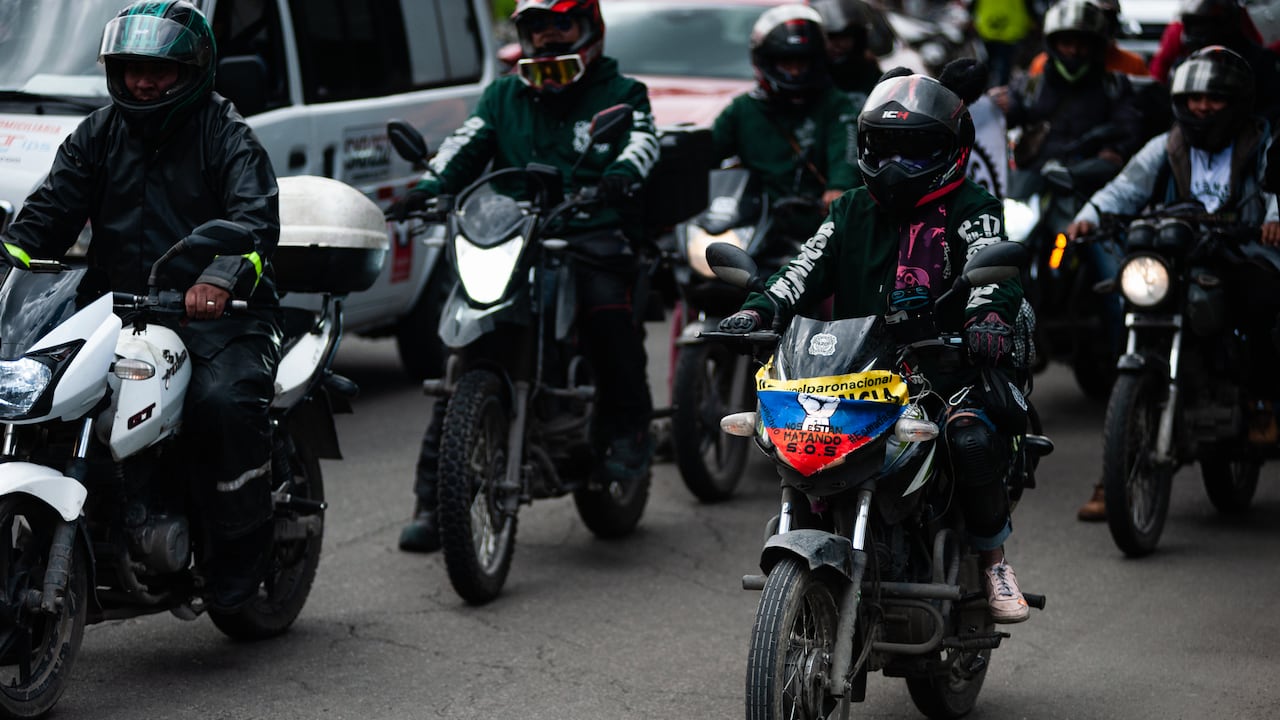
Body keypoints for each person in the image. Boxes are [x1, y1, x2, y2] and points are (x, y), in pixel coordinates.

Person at [719, 73, 1033, 623]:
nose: (894, 165)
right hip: (854, 370)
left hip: (943, 372)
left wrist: (986, 318)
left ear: (951, 151)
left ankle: (994, 560)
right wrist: (759, 308)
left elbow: (991, 269)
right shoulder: (850, 209)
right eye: (884, 149)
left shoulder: (972, 206)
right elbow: (802, 270)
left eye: (914, 151)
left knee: (970, 439)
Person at [0, 1, 282, 612]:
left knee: (221, 405)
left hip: (219, 317)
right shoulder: (98, 134)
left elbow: (256, 223)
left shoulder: (226, 133)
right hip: (115, 312)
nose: (144, 83)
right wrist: (8, 258)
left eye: (159, 70)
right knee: (39, 393)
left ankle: (237, 559)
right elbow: (45, 216)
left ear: (192, 72)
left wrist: (219, 278)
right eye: (132, 69)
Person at [392, 0, 659, 553]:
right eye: (538, 25)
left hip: (589, 230)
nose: (550, 35)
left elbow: (642, 143)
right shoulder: (503, 95)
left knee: (606, 311)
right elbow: (465, 144)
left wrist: (618, 176)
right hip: (513, 232)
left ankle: (628, 433)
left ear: (589, 27)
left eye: (562, 22)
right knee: (466, 347)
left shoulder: (622, 92)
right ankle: (432, 500)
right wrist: (428, 189)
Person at [1065, 45, 1280, 520]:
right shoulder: (1168, 144)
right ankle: (1116, 475)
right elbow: (1125, 187)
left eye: (1214, 98)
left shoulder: (1263, 144)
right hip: (1179, 251)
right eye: (1193, 98)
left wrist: (1273, 219)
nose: (1202, 107)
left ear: (1237, 103)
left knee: (1259, 302)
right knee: (1135, 303)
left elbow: (1276, 189)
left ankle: (1262, 402)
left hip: (1243, 250)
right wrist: (1088, 218)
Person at [710, 3, 860, 235]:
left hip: (822, 226)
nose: (795, 71)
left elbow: (847, 150)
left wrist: (838, 188)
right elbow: (707, 153)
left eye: (802, 63)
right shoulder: (743, 109)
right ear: (766, 61)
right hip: (755, 225)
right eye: (786, 63)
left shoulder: (836, 104)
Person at [1148, 0, 1280, 122]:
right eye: (1196, 98)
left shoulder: (1258, 62)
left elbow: (1270, 110)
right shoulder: (1182, 64)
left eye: (1216, 98)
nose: (1204, 107)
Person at [808, 0, 884, 113]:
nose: (839, 44)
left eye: (845, 36)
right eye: (831, 37)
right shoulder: (811, 78)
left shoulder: (868, 71)